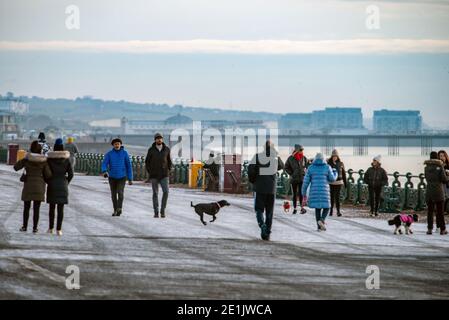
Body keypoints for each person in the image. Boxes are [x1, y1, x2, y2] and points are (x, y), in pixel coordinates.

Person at [248, 140, 284, 241]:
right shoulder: (275, 158)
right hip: (271, 189)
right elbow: (282, 166)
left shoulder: (257, 156)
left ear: (264, 148)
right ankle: (266, 233)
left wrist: (253, 180)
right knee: (269, 211)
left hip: (259, 187)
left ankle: (262, 225)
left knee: (259, 209)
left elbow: (250, 170)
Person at [14, 141, 52, 233]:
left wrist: (25, 158)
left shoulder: (27, 159)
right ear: (40, 150)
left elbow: (16, 167)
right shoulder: (43, 161)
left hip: (28, 186)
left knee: (26, 207)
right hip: (39, 187)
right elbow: (48, 175)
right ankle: (35, 228)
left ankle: (24, 226)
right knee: (36, 208)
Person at [302, 153, 337, 231]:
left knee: (317, 209)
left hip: (314, 192)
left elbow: (305, 182)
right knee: (327, 207)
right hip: (324, 192)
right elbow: (332, 179)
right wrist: (335, 172)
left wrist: (303, 193)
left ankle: (319, 226)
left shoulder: (310, 168)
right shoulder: (327, 167)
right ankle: (321, 220)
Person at [46, 138, 74, 236]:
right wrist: (66, 182)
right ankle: (59, 229)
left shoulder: (49, 159)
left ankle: (50, 228)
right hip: (63, 184)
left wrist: (48, 181)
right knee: (60, 209)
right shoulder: (66, 160)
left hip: (52, 184)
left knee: (52, 208)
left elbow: (45, 172)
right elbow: (71, 174)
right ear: (63, 147)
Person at [101, 138, 133, 217]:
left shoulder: (125, 153)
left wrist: (130, 178)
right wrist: (104, 171)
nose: (117, 145)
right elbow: (104, 163)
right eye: (115, 144)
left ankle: (119, 208)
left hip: (122, 176)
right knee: (113, 194)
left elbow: (129, 166)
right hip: (112, 177)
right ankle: (115, 209)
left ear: (120, 145)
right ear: (113, 145)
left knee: (120, 193)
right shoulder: (109, 154)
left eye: (118, 144)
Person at [145, 133, 172, 218]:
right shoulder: (151, 150)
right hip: (154, 175)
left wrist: (169, 169)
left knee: (166, 192)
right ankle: (156, 211)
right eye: (157, 138)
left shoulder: (167, 149)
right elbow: (147, 162)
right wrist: (150, 171)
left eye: (160, 138)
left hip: (164, 175)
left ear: (162, 139)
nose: (159, 140)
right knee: (155, 193)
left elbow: (169, 161)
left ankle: (162, 210)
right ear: (155, 140)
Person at [425, 151, 448, 235]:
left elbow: (426, 178)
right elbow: (444, 180)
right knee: (440, 212)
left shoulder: (426, 167)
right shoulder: (440, 166)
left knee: (430, 211)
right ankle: (442, 229)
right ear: (437, 157)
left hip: (429, 191)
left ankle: (429, 229)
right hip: (438, 191)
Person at [284, 144, 308, 214]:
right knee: (294, 194)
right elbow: (286, 167)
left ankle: (301, 208)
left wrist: (305, 172)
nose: (302, 151)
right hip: (294, 179)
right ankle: (295, 208)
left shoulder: (304, 158)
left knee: (301, 193)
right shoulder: (290, 158)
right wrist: (292, 174)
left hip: (301, 178)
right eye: (300, 150)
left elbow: (307, 166)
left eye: (302, 150)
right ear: (297, 150)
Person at [327, 149, 347, 217]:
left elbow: (344, 174)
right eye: (333, 156)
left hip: (339, 182)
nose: (335, 157)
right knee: (331, 197)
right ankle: (331, 210)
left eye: (336, 156)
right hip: (331, 182)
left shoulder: (341, 163)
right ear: (331, 156)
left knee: (337, 197)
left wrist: (345, 183)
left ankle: (338, 211)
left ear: (338, 156)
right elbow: (327, 173)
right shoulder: (329, 164)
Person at [438, 150, 449, 215]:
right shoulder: (438, 165)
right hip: (441, 184)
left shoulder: (448, 165)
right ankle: (443, 210)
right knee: (444, 197)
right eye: (440, 156)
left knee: (447, 197)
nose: (442, 157)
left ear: (446, 156)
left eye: (443, 156)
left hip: (448, 183)